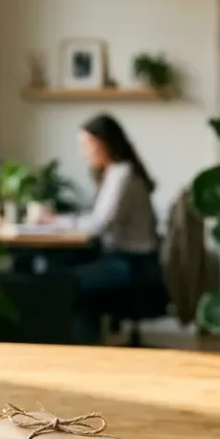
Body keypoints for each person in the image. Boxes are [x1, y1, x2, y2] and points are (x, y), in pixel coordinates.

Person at [70, 113, 163, 344]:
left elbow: (100, 224)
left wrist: (58, 223)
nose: (84, 152)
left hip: (133, 265)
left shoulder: (123, 175)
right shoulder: (116, 173)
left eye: (86, 144)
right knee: (65, 273)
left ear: (103, 144)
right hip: (129, 260)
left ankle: (85, 352)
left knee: (68, 282)